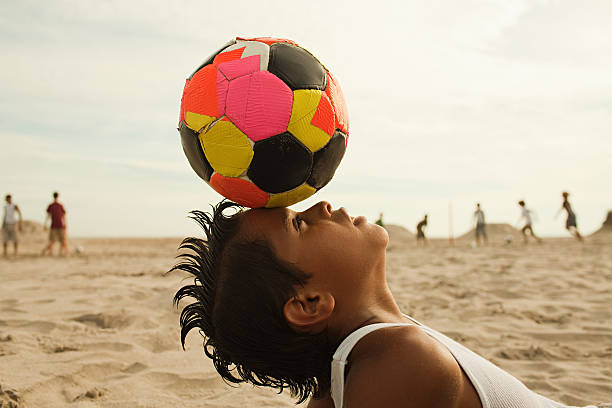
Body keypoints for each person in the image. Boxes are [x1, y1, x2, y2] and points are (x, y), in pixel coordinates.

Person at [172, 201, 607, 408]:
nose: (321, 205)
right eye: (300, 224)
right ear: (309, 303)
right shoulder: (399, 361)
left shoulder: (353, 374)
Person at [42, 191, 68, 257]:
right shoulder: (54, 205)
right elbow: (63, 216)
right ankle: (49, 252)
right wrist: (65, 224)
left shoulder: (58, 205)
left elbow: (63, 215)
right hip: (56, 225)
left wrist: (45, 224)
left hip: (58, 225)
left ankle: (60, 253)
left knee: (60, 241)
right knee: (54, 241)